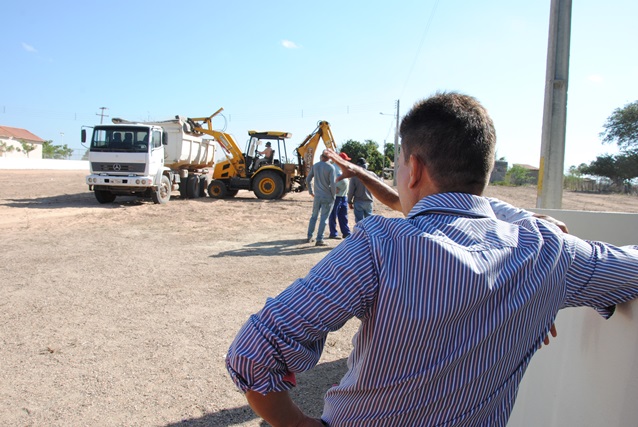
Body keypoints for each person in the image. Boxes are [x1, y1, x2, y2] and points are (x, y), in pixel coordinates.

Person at [226, 92, 638, 426]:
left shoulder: (380, 244)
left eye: (399, 163)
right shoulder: (548, 251)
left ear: (415, 168)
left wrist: (299, 425)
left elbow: (254, 352)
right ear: (486, 170)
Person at [304, 152, 336, 247]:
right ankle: (320, 239)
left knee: (314, 216)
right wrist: (334, 195)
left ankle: (309, 236)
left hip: (317, 196)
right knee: (324, 218)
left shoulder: (315, 166)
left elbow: (308, 179)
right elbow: (333, 183)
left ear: (321, 156)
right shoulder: (331, 167)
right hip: (327, 196)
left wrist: (311, 191)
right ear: (329, 158)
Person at [328, 152, 351, 239]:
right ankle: (333, 233)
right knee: (333, 215)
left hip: (343, 196)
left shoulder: (342, 169)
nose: (346, 162)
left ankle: (346, 232)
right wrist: (332, 188)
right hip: (336, 197)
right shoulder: (333, 168)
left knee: (343, 215)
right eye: (345, 160)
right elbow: (327, 181)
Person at [347, 157, 374, 222]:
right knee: (369, 222)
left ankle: (360, 232)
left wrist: (349, 201)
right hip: (369, 202)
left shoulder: (354, 176)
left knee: (359, 222)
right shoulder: (372, 174)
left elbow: (351, 191)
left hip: (358, 202)